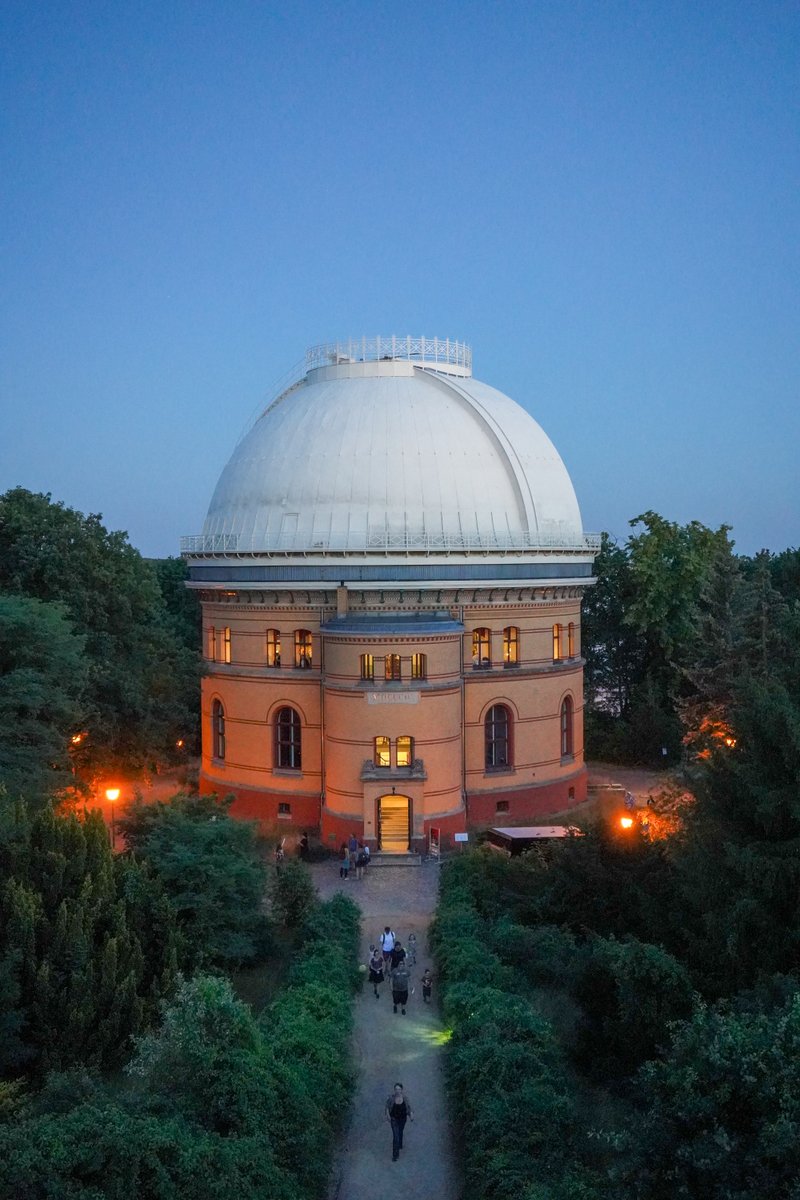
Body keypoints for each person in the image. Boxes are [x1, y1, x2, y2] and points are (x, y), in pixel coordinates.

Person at [385, 1083, 413, 1160]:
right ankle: (395, 1155)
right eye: (396, 1089)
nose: (397, 1091)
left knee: (400, 1131)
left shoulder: (405, 1098)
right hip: (394, 1119)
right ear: (394, 1090)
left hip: (403, 1119)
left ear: (401, 1090)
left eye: (399, 1089)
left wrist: (411, 1116)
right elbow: (387, 1107)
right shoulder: (391, 1098)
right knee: (395, 1136)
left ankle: (400, 1144)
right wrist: (388, 1116)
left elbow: (409, 1108)